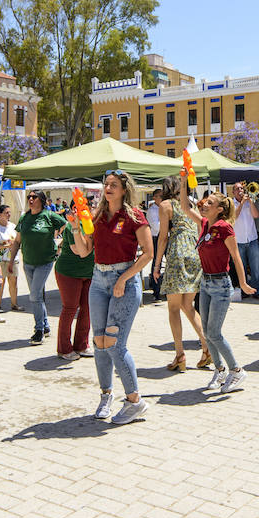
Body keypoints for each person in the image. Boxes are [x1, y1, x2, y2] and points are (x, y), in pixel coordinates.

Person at [68, 169, 154, 426]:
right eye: (106, 184)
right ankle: (106, 395)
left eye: (113, 184)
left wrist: (123, 279)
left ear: (124, 189)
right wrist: (74, 227)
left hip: (123, 281)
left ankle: (135, 401)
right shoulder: (96, 216)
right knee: (99, 342)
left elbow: (148, 254)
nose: (108, 188)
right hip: (98, 280)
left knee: (115, 344)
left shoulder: (134, 216)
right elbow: (84, 251)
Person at [196, 193, 258, 393]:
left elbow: (236, 256)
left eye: (210, 203)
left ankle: (237, 370)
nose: (205, 204)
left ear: (220, 209)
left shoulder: (225, 227)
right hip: (205, 283)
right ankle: (220, 369)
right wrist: (183, 181)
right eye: (206, 201)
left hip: (221, 285)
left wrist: (243, 283)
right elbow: (185, 208)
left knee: (214, 332)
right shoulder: (206, 224)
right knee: (206, 332)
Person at [153, 174, 210, 372]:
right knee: (188, 305)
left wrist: (157, 264)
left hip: (178, 254)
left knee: (174, 308)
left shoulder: (165, 206)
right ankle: (206, 347)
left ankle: (180, 354)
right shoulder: (191, 206)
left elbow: (162, 238)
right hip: (195, 254)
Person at [9, 190, 68, 343]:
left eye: (34, 197)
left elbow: (66, 225)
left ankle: (39, 330)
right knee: (37, 296)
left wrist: (58, 241)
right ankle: (46, 326)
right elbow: (17, 241)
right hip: (28, 262)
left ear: (41, 200)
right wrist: (10, 261)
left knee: (34, 296)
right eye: (29, 196)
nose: (30, 199)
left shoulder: (48, 215)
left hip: (45, 261)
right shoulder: (24, 217)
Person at [54, 197, 95, 360]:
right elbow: (81, 251)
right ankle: (64, 348)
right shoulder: (72, 228)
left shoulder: (91, 225)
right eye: (77, 208)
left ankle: (81, 345)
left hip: (88, 273)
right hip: (69, 273)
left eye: (87, 207)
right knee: (70, 309)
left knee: (87, 309)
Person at [231, 183, 259, 301]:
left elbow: (256, 215)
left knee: (256, 267)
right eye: (237, 189)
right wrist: (242, 203)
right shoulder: (231, 204)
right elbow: (233, 217)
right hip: (238, 241)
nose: (240, 190)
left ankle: (256, 290)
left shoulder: (249, 202)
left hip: (252, 239)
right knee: (242, 268)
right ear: (233, 192)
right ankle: (244, 291)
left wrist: (250, 202)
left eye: (241, 188)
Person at [146, 194, 165, 304]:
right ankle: (156, 291)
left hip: (165, 236)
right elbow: (156, 226)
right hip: (156, 238)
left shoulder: (162, 208)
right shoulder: (152, 210)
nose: (162, 198)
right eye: (160, 196)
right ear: (154, 197)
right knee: (156, 263)